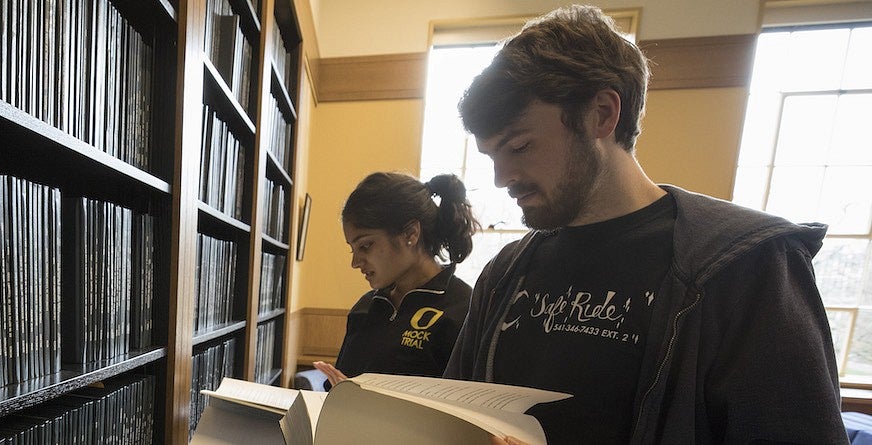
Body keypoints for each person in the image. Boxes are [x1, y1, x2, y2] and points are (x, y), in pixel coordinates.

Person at [444, 5, 846, 445]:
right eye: (491, 157)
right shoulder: (506, 273)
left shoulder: (746, 267)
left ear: (601, 113)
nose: (502, 177)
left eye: (519, 146)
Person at [312, 172, 478, 388]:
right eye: (352, 249)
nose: (355, 262)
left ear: (411, 234)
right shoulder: (366, 307)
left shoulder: (463, 309)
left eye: (365, 246)